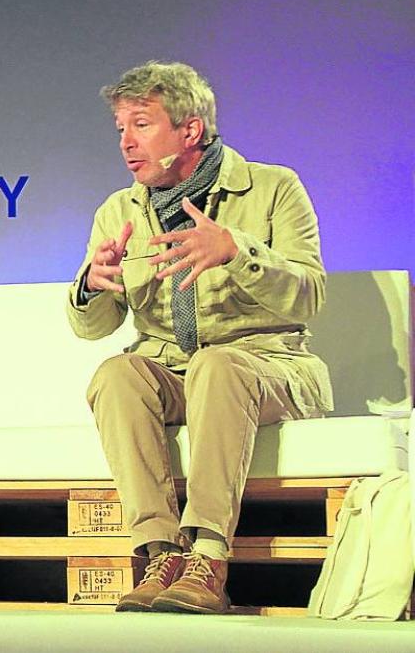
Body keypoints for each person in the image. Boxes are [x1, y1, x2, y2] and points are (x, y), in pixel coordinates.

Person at [66, 62, 331, 614]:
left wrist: (238, 253)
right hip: (174, 370)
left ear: (190, 130)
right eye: (120, 128)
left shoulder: (274, 188)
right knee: (117, 373)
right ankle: (160, 554)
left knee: (218, 364)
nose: (126, 142)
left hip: (269, 367)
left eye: (141, 124)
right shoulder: (118, 211)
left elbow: (309, 296)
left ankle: (208, 558)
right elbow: (92, 328)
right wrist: (92, 286)